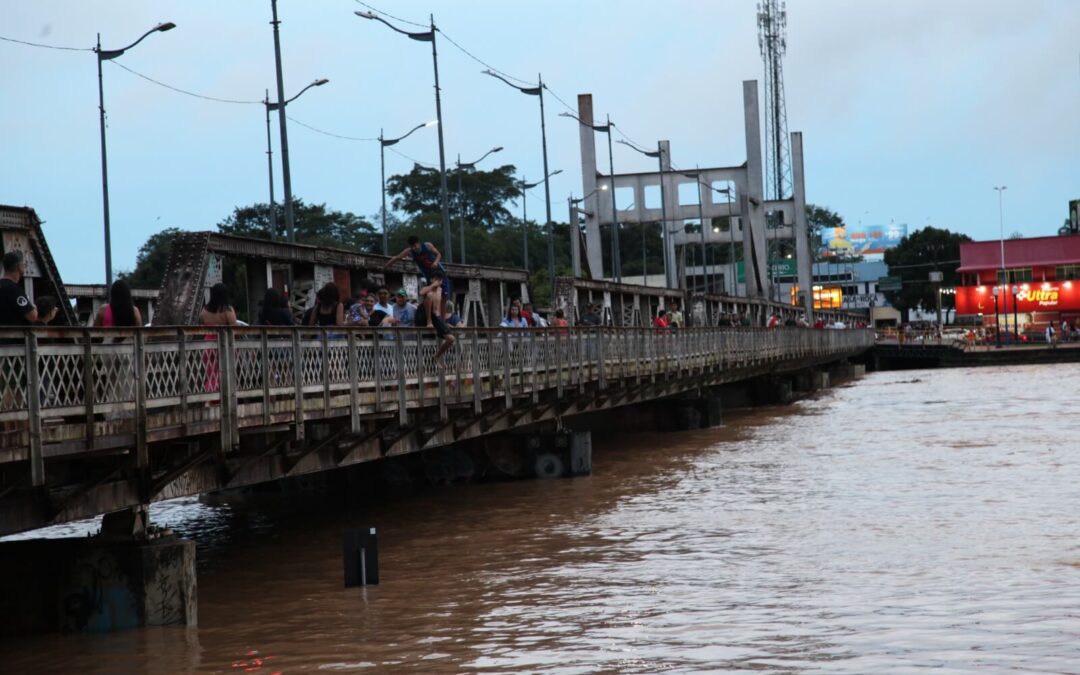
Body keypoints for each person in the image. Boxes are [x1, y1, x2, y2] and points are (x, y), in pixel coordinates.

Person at [385, 236, 451, 298]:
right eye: (412, 246)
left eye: (415, 246)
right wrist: (385, 266)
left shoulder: (427, 245)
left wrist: (436, 262)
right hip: (429, 275)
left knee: (444, 294)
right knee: (430, 295)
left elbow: (438, 254)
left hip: (439, 271)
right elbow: (397, 257)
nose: (414, 248)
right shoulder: (409, 251)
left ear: (418, 243)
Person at [416, 271, 455, 363]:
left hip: (436, 315)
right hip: (424, 314)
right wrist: (433, 285)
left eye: (439, 279)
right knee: (429, 295)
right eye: (435, 279)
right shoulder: (428, 288)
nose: (437, 281)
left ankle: (437, 356)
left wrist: (444, 322)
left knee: (451, 339)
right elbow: (421, 293)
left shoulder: (442, 290)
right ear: (431, 280)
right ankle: (429, 321)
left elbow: (442, 305)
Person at [0, 251, 37, 325]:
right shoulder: (14, 289)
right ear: (19, 267)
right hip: (10, 334)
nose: (25, 266)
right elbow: (32, 316)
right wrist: (34, 307)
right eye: (23, 264)